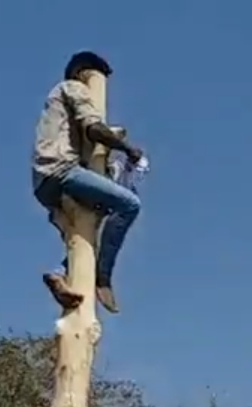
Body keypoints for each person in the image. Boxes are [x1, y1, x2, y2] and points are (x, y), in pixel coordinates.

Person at [32, 51, 144, 314]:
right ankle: (103, 278)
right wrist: (127, 148)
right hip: (60, 170)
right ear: (85, 73)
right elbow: (93, 128)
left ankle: (59, 273)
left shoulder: (54, 99)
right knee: (129, 204)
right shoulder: (74, 88)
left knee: (90, 229)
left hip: (44, 182)